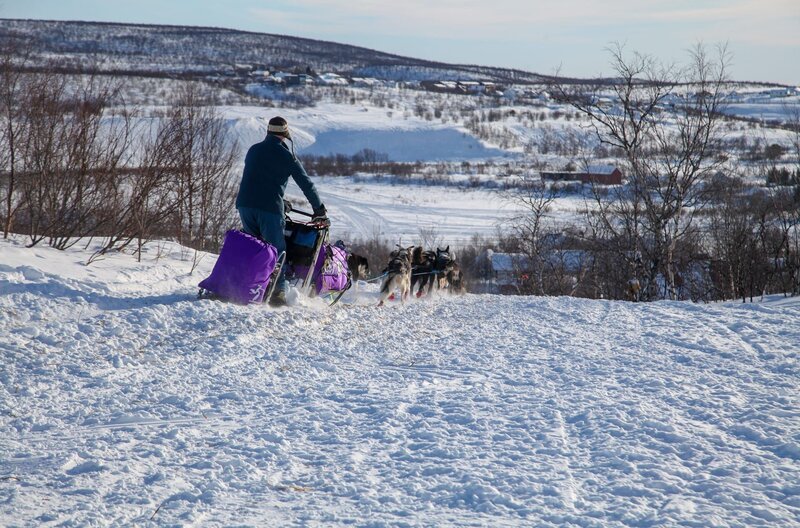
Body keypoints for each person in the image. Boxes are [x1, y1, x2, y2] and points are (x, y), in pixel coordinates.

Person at [236, 116, 329, 307]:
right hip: (269, 209)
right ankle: (278, 293)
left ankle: (247, 287)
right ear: (285, 135)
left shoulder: (253, 150)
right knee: (278, 251)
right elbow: (306, 184)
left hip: (244, 205)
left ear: (268, 132)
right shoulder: (287, 156)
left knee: (255, 249)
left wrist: (281, 200)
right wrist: (319, 209)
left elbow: (259, 179)